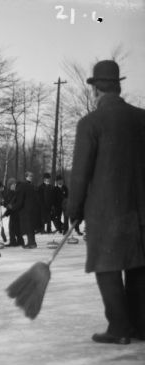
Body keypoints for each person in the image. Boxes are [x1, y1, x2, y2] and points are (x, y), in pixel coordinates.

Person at [66, 60, 145, 345]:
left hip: (106, 212)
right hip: (140, 212)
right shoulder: (141, 118)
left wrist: (73, 211)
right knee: (139, 267)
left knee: (107, 267)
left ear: (96, 90)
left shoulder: (91, 123)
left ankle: (120, 327)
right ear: (118, 86)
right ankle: (140, 326)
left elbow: (80, 174)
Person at [13, 171, 40, 249]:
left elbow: (20, 200)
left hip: (28, 209)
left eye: (32, 176)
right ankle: (32, 242)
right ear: (25, 177)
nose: (31, 177)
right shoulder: (27, 186)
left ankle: (31, 243)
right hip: (30, 208)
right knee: (30, 226)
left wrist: (14, 207)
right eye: (29, 176)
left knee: (29, 226)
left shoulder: (25, 186)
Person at [2, 178, 24, 247]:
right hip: (13, 213)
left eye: (13, 184)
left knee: (13, 227)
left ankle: (14, 242)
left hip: (17, 212)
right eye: (11, 185)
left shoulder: (17, 192)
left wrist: (6, 213)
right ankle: (19, 241)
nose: (12, 186)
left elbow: (14, 204)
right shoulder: (11, 193)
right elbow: (9, 204)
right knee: (14, 227)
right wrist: (4, 204)